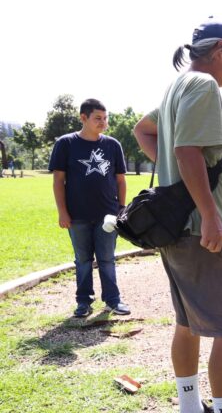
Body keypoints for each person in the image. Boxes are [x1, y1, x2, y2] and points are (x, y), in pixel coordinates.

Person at [133, 19, 222, 413]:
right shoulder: (203, 86)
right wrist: (208, 213)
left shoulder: (176, 87)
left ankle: (190, 406)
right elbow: (187, 150)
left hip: (176, 231)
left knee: (187, 322)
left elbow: (144, 131)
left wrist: (179, 181)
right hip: (201, 233)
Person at [48, 99, 130, 318]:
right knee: (83, 261)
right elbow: (58, 181)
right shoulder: (66, 143)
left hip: (108, 215)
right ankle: (83, 302)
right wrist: (62, 212)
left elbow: (121, 181)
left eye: (105, 118)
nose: (103, 123)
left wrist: (121, 209)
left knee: (107, 259)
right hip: (77, 216)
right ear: (83, 118)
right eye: (97, 118)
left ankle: (113, 300)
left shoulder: (113, 145)